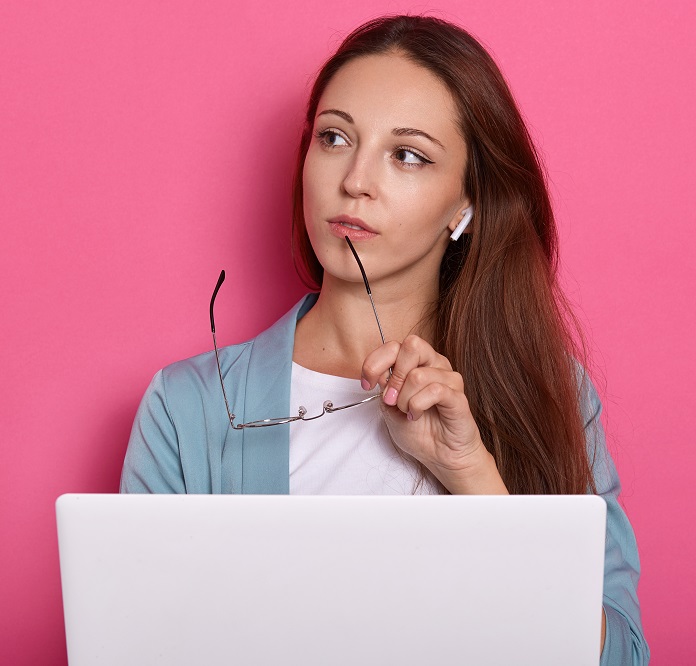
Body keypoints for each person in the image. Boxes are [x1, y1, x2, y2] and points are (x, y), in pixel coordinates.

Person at [119, 14, 648, 665]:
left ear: (465, 206)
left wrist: (472, 475)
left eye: (407, 155)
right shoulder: (186, 410)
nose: (355, 180)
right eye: (335, 137)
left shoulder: (552, 390)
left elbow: (620, 656)